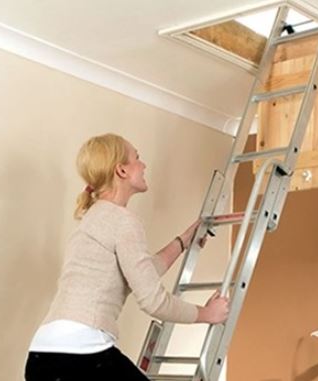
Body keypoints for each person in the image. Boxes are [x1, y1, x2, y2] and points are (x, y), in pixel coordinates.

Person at [24, 133, 230, 380]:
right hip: (80, 354)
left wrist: (184, 241)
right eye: (137, 158)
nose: (143, 165)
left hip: (43, 357)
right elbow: (153, 301)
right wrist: (208, 314)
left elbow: (141, 270)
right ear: (121, 171)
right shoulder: (123, 221)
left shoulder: (96, 217)